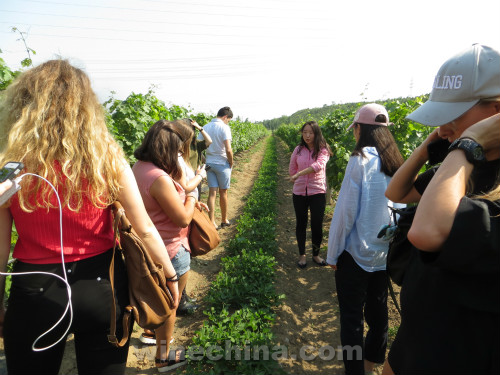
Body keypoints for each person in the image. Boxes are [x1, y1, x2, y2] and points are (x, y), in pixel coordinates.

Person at [0, 59, 179, 375]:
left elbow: (0, 251)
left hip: (35, 292)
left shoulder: (10, 166)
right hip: (103, 287)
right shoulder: (106, 159)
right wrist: (170, 276)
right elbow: (146, 229)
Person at [383, 44, 500, 375]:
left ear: (497, 111)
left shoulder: (468, 167)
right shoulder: (458, 170)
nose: (443, 127)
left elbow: (428, 232)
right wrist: (430, 146)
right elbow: (398, 191)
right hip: (415, 346)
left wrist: (467, 144)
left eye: (454, 116)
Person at [326, 104, 404, 375]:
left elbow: (345, 213)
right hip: (384, 257)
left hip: (356, 255)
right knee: (378, 316)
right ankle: (370, 366)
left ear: (361, 129)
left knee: (351, 321)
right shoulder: (397, 162)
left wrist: (333, 254)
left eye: (355, 128)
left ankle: (355, 372)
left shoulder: (360, 160)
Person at [133, 119, 204, 372]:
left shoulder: (138, 168)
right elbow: (183, 218)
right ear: (169, 147)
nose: (181, 153)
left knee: (154, 296)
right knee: (171, 304)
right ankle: (163, 358)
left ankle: (151, 333)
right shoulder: (160, 178)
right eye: (179, 149)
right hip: (171, 250)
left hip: (145, 249)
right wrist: (193, 197)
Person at [289, 120, 332, 268]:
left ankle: (316, 254)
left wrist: (299, 174)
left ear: (316, 133)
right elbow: (292, 169)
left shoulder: (323, 150)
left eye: (311, 132)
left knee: (316, 224)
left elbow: (318, 166)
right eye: (305, 132)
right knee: (301, 223)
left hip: (317, 192)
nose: (307, 135)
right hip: (299, 192)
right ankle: (302, 255)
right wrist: (296, 177)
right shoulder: (298, 150)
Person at [198, 107, 233, 229]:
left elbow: (197, 148)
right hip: (222, 164)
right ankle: (224, 220)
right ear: (225, 117)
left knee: (212, 193)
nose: (228, 122)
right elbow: (228, 149)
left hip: (209, 164)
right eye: (228, 120)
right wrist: (231, 162)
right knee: (223, 192)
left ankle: (212, 222)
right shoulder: (224, 128)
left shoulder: (205, 127)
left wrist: (205, 160)